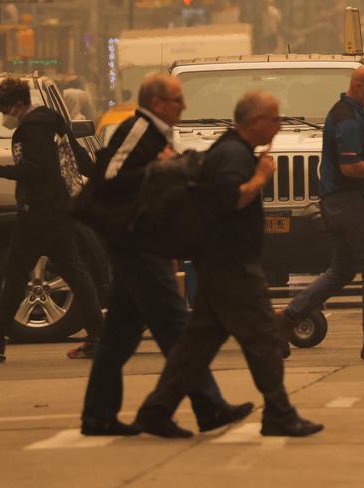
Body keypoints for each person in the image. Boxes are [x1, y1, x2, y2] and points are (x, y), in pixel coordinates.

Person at [132, 93, 322, 439]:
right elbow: (231, 198)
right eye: (274, 119)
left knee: (196, 345)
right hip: (232, 266)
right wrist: (262, 176)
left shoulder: (230, 149)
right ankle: (279, 413)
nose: (279, 126)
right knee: (264, 339)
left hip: (219, 263)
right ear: (254, 122)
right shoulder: (234, 154)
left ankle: (155, 411)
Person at [78, 73, 251, 437]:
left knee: (119, 335)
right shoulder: (139, 129)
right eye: (176, 99)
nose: (183, 105)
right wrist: (163, 168)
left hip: (144, 241)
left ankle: (98, 415)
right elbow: (109, 177)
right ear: (156, 103)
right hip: (134, 244)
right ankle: (209, 407)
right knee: (177, 326)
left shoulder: (158, 133)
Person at [0, 77, 103, 363]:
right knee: (70, 271)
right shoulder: (55, 123)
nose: (4, 117)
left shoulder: (31, 128)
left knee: (18, 275)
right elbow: (80, 158)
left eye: (4, 110)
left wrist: (0, 172)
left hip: (38, 212)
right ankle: (96, 337)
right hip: (59, 208)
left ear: (19, 105)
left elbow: (38, 169)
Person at [278, 65, 364, 359]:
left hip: (339, 202)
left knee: (341, 271)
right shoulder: (348, 119)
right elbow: (350, 167)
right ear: (360, 87)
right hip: (348, 203)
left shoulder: (349, 113)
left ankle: (287, 317)